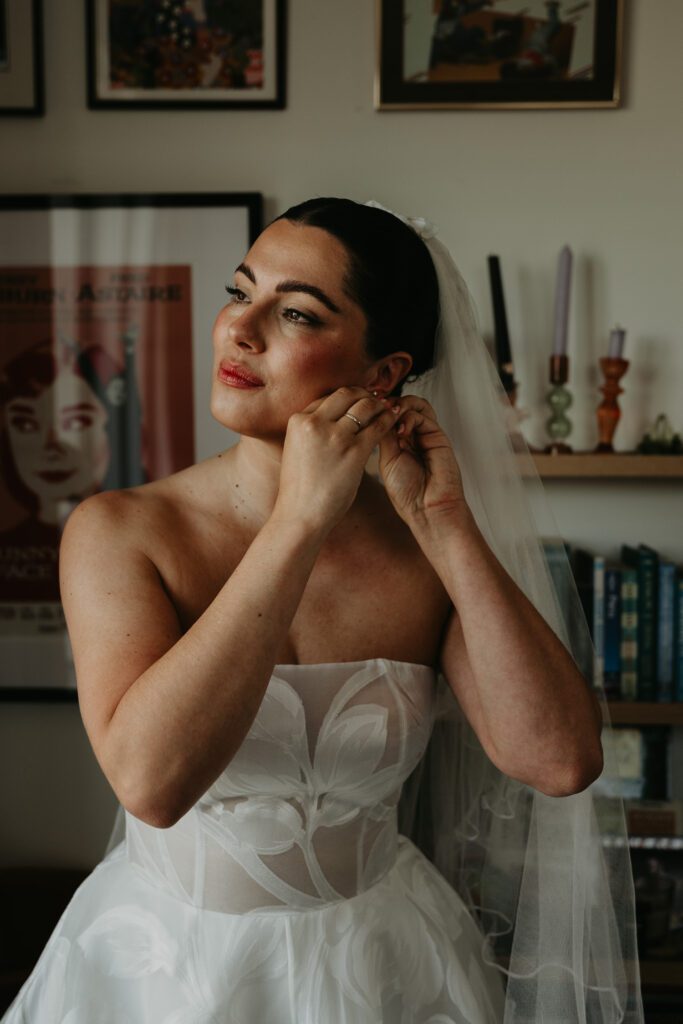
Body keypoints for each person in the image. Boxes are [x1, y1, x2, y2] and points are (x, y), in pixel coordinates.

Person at [2, 198, 642, 1023]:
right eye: (241, 292)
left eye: (295, 311)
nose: (240, 327)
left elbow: (560, 761)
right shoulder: (121, 531)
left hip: (384, 963)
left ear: (381, 375)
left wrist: (444, 528)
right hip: (163, 969)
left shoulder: (422, 547)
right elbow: (150, 784)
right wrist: (298, 522)